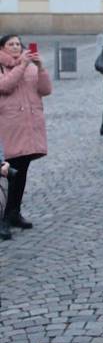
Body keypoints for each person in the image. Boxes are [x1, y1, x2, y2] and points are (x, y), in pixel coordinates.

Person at [0, 35, 52, 240]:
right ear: (3, 48)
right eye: (10, 44)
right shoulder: (7, 66)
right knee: (5, 176)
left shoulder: (30, 65)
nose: (15, 47)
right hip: (8, 129)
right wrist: (22, 64)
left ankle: (14, 212)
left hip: (28, 127)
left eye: (17, 44)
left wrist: (40, 68)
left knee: (21, 173)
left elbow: (45, 90)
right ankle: (1, 218)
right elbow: (5, 86)